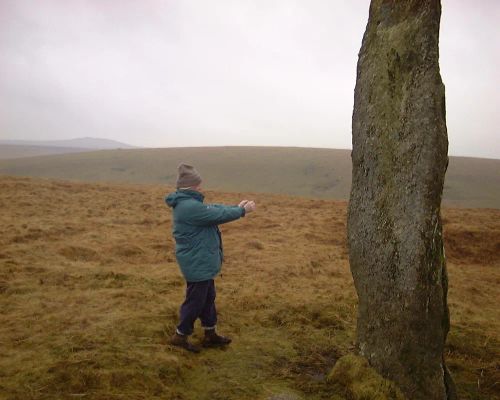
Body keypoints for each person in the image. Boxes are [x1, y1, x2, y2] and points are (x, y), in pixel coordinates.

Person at [165, 163, 256, 353]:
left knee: (207, 297)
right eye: (199, 183)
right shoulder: (189, 206)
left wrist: (235, 207)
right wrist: (242, 211)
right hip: (197, 261)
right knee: (196, 300)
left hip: (200, 260)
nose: (201, 186)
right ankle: (180, 336)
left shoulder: (188, 203)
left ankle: (210, 333)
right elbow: (215, 214)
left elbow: (213, 209)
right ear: (192, 185)